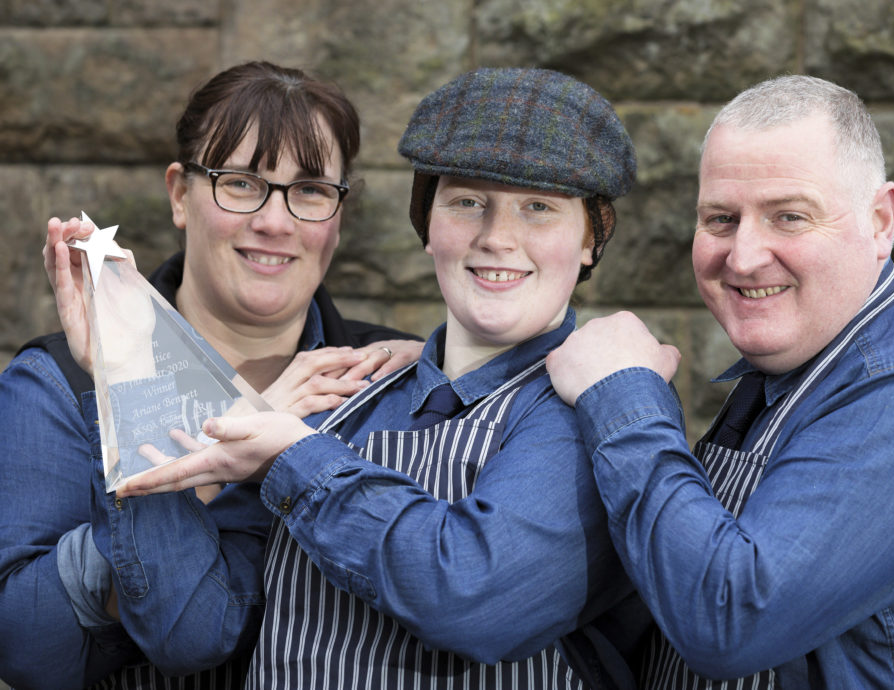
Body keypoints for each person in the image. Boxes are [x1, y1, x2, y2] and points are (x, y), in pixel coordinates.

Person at [76, 66, 653, 689]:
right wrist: (130, 374)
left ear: (591, 238)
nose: (497, 239)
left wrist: (298, 457)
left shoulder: (602, 413)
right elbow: (187, 628)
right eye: (467, 202)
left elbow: (475, 600)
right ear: (426, 224)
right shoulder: (343, 391)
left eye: (539, 208)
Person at [545, 74, 894, 688]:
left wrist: (623, 397)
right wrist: (452, 365)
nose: (743, 257)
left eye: (789, 217)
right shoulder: (802, 361)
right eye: (721, 218)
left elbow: (729, 620)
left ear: (880, 221)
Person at [0, 61, 422, 689]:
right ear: (179, 195)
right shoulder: (59, 382)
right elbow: (24, 643)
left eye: (309, 190)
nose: (275, 222)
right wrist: (223, 443)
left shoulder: (392, 380)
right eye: (242, 183)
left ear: (338, 216)